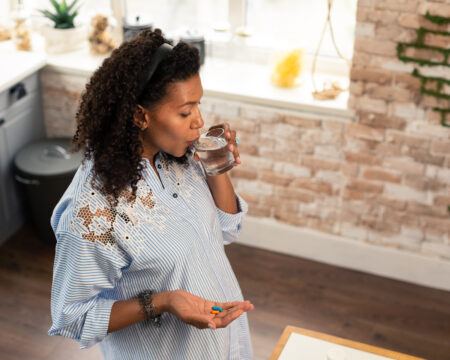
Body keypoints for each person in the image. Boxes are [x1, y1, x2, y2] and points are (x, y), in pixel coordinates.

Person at [48, 28, 254, 359]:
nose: (198, 122)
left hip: (227, 343)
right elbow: (70, 317)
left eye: (198, 105)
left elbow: (228, 228)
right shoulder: (93, 212)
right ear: (140, 115)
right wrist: (163, 301)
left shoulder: (178, 156)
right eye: (185, 112)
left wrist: (216, 168)